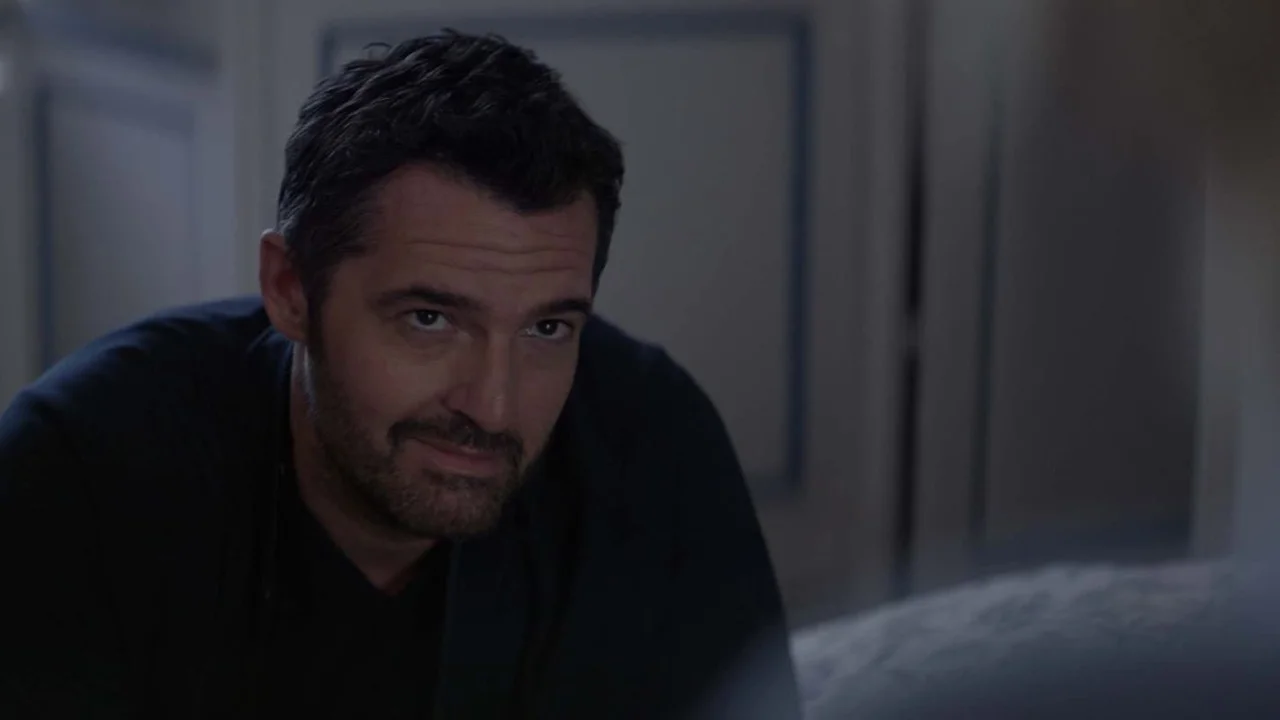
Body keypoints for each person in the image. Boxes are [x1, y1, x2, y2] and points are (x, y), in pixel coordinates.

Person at [0, 32, 800, 719]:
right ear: (291, 290)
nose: (493, 406)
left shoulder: (651, 442)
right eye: (429, 319)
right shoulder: (80, 475)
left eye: (547, 329)